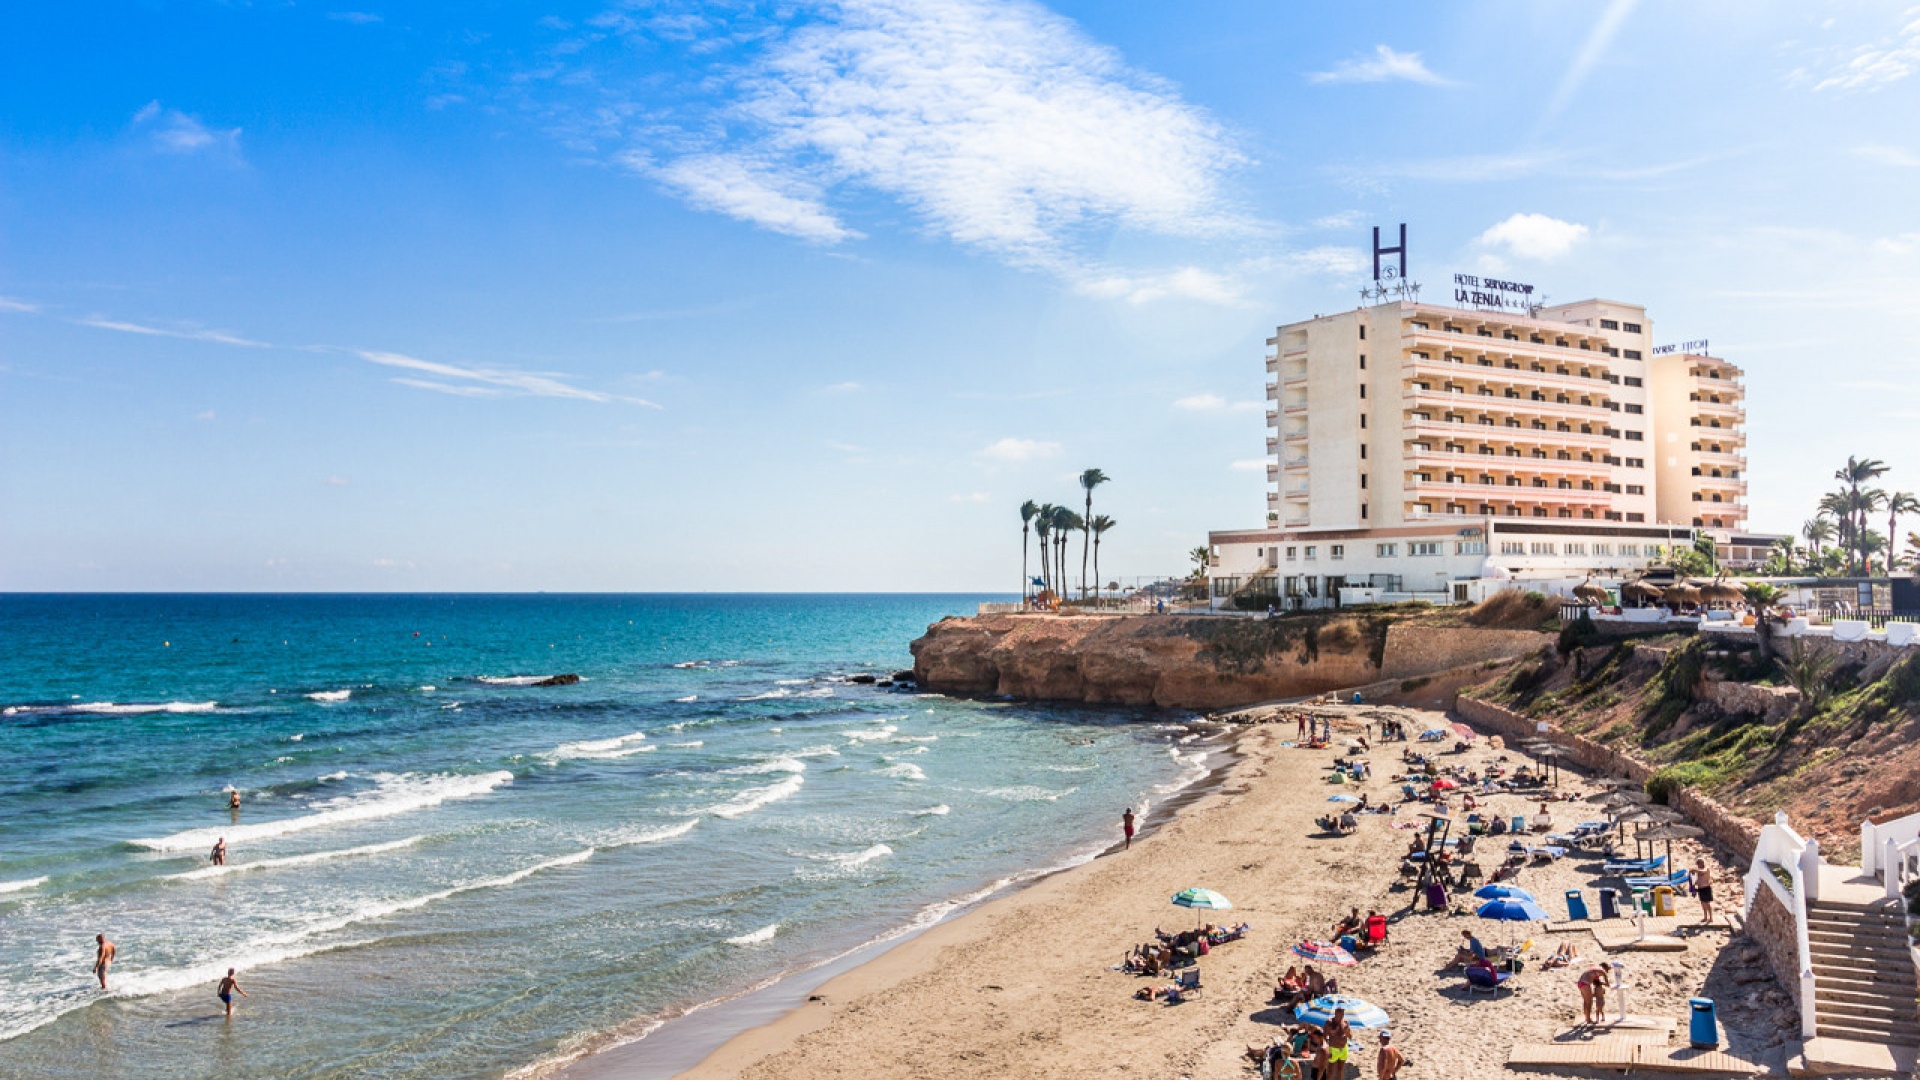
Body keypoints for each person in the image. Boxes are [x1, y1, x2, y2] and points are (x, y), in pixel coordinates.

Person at [1324, 1008, 1352, 1078]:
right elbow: (1324, 1036)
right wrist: (1326, 1049)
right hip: (1333, 1049)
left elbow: (1351, 1036)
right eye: (1338, 1015)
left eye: (1342, 1015)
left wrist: (1346, 1032)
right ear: (1335, 1014)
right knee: (1330, 1071)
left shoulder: (1345, 1022)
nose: (1340, 1017)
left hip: (1343, 1049)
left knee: (1340, 1070)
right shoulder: (1329, 1022)